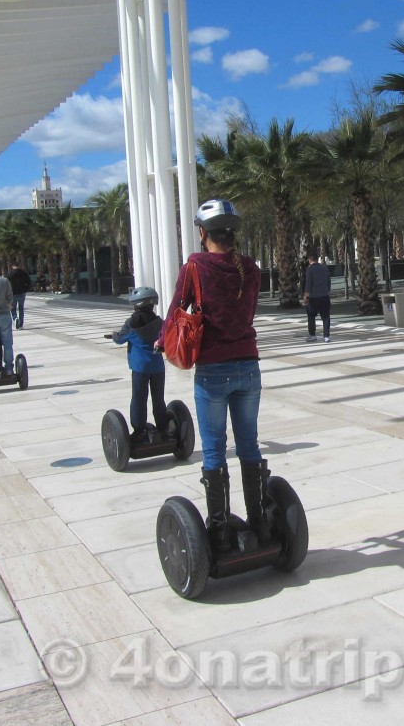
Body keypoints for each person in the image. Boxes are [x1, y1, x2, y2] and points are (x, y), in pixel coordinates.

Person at [159, 199, 267, 553]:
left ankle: (219, 531)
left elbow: (177, 307)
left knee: (215, 450)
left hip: (213, 371)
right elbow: (245, 312)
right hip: (248, 366)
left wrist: (162, 341)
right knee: (249, 444)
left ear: (203, 233)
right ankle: (261, 522)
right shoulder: (250, 268)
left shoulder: (195, 265)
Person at [109, 287, 173, 445]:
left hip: (140, 368)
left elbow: (120, 339)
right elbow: (167, 336)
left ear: (136, 305)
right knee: (158, 399)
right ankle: (163, 428)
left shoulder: (131, 324)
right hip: (157, 367)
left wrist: (114, 335)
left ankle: (139, 430)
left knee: (139, 398)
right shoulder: (159, 323)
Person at [302, 251, 332, 343]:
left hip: (313, 297)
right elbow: (328, 281)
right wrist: (327, 291)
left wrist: (305, 297)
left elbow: (308, 284)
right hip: (324, 296)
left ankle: (312, 335)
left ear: (310, 260)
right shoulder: (324, 268)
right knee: (326, 317)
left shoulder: (309, 269)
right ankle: (326, 336)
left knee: (311, 316)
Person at [7, 262, 32, 330]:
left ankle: (15, 318)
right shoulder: (24, 273)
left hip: (13, 293)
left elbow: (7, 284)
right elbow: (29, 283)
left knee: (13, 308)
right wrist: (26, 290)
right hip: (22, 293)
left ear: (12, 266)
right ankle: (21, 325)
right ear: (19, 266)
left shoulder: (10, 274)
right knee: (21, 309)